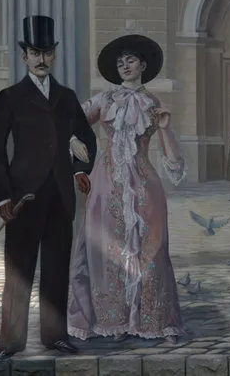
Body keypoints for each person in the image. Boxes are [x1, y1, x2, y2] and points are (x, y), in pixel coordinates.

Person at [0, 15, 97, 360]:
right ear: (24, 56)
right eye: (35, 52)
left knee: (56, 270)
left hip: (60, 198)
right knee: (18, 271)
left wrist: (81, 168)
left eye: (47, 52)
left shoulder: (66, 97)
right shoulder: (9, 97)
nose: (41, 59)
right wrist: (2, 196)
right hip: (23, 198)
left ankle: (55, 336)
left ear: (54, 55)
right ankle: (11, 342)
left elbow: (86, 138)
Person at [67, 34, 186, 343]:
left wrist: (165, 128)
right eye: (120, 63)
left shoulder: (153, 103)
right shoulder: (104, 100)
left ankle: (153, 322)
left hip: (145, 183)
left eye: (130, 60)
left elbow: (173, 158)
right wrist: (73, 140)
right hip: (106, 185)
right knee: (105, 251)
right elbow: (72, 121)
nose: (125, 66)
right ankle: (115, 322)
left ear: (143, 65)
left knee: (152, 250)